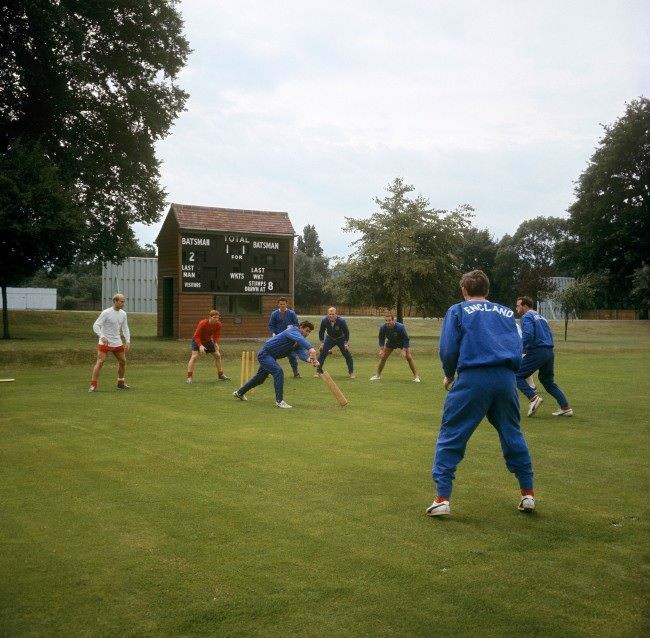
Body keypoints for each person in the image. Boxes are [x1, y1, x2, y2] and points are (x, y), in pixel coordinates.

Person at [426, 270, 536, 517]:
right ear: (487, 290)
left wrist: (449, 373)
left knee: (452, 434)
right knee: (512, 433)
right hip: (506, 379)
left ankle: (442, 498)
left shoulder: (458, 310)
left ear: (464, 290)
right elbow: (518, 347)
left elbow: (448, 348)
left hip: (473, 378)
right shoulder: (508, 312)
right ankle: (528, 494)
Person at [233, 321, 319, 408]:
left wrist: (310, 360)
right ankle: (279, 401)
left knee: (260, 379)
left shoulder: (299, 340)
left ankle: (239, 392)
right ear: (301, 327)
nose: (307, 334)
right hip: (265, 354)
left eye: (309, 332)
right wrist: (311, 348)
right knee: (278, 371)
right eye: (306, 330)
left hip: (271, 357)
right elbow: (301, 340)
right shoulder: (292, 330)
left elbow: (301, 352)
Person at [515, 296, 573, 417]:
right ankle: (565, 408)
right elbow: (548, 334)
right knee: (547, 381)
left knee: (516, 376)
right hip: (549, 351)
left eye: (518, 306)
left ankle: (533, 398)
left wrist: (520, 349)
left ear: (525, 306)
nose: (516, 308)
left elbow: (528, 335)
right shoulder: (541, 317)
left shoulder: (526, 317)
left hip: (537, 351)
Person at [89, 293, 131, 392]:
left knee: (123, 361)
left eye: (124, 301)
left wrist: (128, 341)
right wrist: (102, 336)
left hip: (117, 342)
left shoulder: (123, 314)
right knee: (100, 362)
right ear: (115, 301)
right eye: (121, 301)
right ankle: (93, 385)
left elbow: (125, 328)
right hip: (105, 343)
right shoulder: (106, 312)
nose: (123, 303)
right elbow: (96, 325)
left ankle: (121, 383)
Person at [370, 313, 420, 382]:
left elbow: (406, 339)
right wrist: (381, 349)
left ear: (393, 320)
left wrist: (404, 350)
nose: (387, 322)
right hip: (391, 342)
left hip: (402, 343)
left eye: (389, 320)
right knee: (383, 357)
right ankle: (377, 376)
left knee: (409, 357)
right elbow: (381, 338)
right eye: (386, 320)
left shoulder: (400, 327)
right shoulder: (383, 327)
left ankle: (416, 377)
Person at [186, 309, 230, 383]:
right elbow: (196, 336)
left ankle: (220, 375)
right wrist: (200, 346)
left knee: (218, 355)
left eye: (217, 317)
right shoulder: (203, 323)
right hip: (197, 340)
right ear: (210, 317)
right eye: (214, 317)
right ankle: (189, 377)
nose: (216, 319)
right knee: (194, 357)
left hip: (208, 341)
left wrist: (216, 343)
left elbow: (216, 335)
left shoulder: (218, 324)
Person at [317, 307, 355, 378]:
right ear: (328, 314)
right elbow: (321, 332)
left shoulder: (341, 321)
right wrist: (322, 343)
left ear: (336, 314)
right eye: (330, 314)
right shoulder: (324, 320)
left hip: (340, 338)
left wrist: (346, 343)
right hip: (329, 338)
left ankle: (351, 373)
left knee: (347, 354)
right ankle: (318, 372)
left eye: (333, 314)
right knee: (322, 353)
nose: (331, 316)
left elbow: (346, 332)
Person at [268, 297, 301, 378]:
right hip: (278, 338)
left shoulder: (291, 313)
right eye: (281, 304)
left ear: (286, 304)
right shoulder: (274, 314)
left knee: (292, 356)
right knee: (271, 355)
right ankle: (265, 373)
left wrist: (292, 326)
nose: (282, 305)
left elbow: (297, 324)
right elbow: (271, 325)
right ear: (278, 304)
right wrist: (273, 333)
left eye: (284, 304)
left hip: (289, 339)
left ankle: (296, 373)